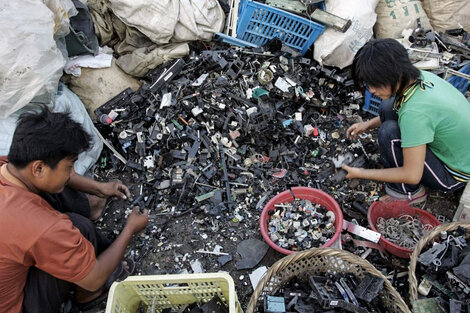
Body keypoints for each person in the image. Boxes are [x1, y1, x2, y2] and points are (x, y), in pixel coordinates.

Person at [0, 107, 149, 313]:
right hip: (18, 307)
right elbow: (93, 278)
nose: (72, 172)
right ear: (39, 168)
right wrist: (130, 230)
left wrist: (99, 188)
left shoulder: (11, 167)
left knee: (55, 189)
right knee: (80, 228)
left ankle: (92, 210)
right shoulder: (41, 227)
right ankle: (89, 298)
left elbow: (55, 178)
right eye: (69, 166)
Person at [343, 38, 470, 203]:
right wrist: (366, 125)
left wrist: (361, 173)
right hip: (458, 151)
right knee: (387, 107)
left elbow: (411, 174)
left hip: (453, 174)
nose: (372, 90)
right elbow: (401, 109)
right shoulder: (420, 77)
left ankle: (408, 193)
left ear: (392, 74)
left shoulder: (415, 112)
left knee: (389, 133)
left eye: (375, 83)